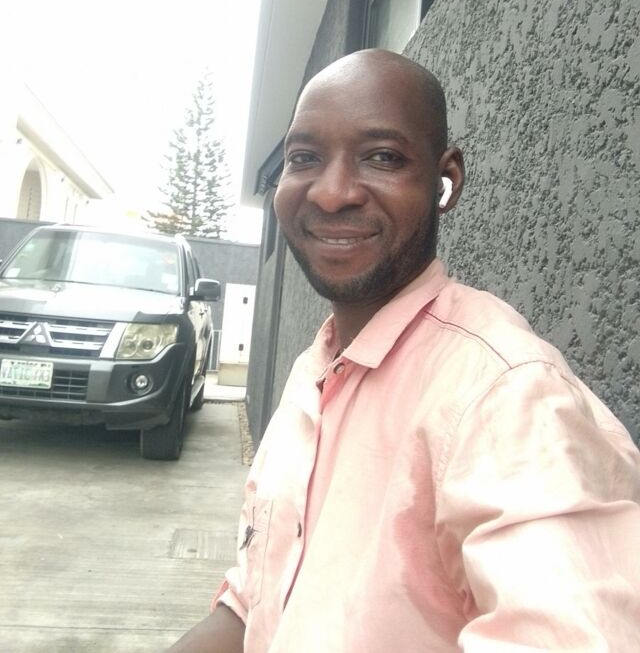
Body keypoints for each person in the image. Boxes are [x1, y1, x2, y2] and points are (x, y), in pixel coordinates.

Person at [171, 49, 640, 652]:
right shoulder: (314, 370)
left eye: (383, 157)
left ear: (446, 181)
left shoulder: (507, 397)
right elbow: (252, 605)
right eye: (304, 158)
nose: (332, 193)